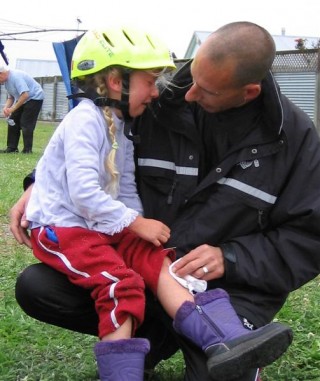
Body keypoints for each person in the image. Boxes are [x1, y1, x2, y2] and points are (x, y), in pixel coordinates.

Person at [11, 21, 320, 381]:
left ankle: (232, 340)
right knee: (39, 287)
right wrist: (38, 184)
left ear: (248, 92)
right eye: (191, 78)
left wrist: (231, 258)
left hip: (229, 289)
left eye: (204, 90)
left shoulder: (295, 142)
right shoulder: (155, 100)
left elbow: (309, 239)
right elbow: (88, 146)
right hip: (150, 267)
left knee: (222, 374)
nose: (186, 94)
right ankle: (151, 338)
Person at [0, 65, 44, 153]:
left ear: (1, 74)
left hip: (34, 98)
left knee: (25, 122)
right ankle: (12, 148)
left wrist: (12, 109)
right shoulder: (6, 82)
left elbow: (25, 95)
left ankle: (27, 150)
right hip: (22, 99)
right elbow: (11, 97)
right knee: (12, 121)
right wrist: (6, 108)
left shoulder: (15, 77)